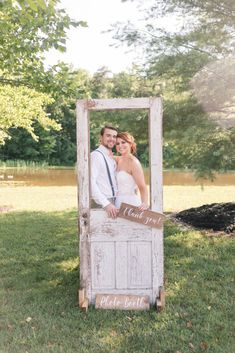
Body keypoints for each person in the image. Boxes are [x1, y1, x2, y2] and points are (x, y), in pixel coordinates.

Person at [90, 125, 119, 218]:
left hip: (115, 201)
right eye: (108, 135)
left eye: (114, 136)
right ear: (101, 137)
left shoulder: (112, 157)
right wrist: (106, 204)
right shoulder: (96, 155)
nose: (112, 139)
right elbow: (90, 182)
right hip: (102, 203)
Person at [115, 132, 149, 211]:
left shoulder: (133, 162)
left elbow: (142, 186)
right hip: (118, 201)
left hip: (130, 203)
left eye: (123, 142)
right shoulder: (119, 159)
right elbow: (105, 156)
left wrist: (145, 203)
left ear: (130, 144)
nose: (120, 146)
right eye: (117, 143)